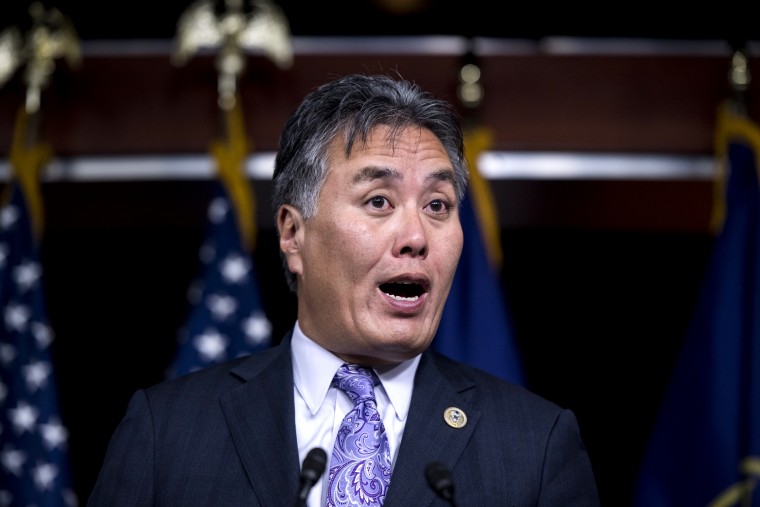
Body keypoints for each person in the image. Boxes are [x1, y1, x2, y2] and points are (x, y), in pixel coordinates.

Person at [87, 73, 600, 506]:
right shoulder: (167, 433)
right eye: (379, 201)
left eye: (438, 205)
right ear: (293, 233)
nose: (417, 236)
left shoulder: (536, 446)